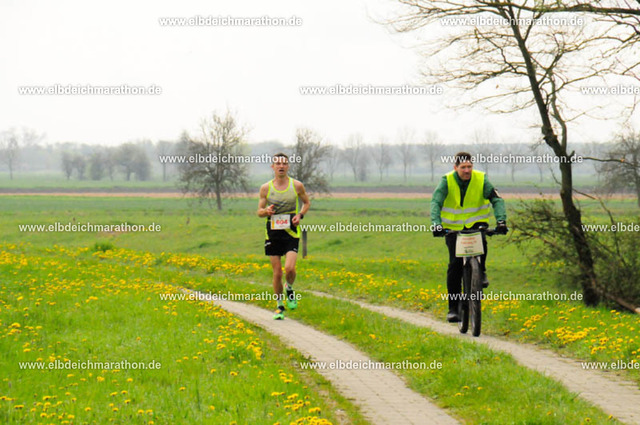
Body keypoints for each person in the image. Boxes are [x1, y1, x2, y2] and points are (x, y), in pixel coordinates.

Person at [431, 152, 507, 323]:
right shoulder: (446, 181)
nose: (467, 170)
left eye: (469, 167)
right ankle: (453, 308)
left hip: (475, 223)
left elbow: (496, 199)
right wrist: (436, 224)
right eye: (463, 167)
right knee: (455, 266)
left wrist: (501, 221)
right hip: (453, 228)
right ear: (455, 168)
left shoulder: (481, 179)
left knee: (482, 243)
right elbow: (436, 202)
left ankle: (481, 272)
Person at [257, 153, 311, 320]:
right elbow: (259, 211)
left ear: (288, 166)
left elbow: (306, 202)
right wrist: (266, 211)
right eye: (278, 164)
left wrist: (300, 215)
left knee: (289, 269)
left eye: (284, 164)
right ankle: (279, 306)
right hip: (272, 233)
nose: (281, 166)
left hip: (291, 232)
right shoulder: (266, 188)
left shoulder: (297, 185)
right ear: (272, 167)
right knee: (277, 273)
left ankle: (289, 288)